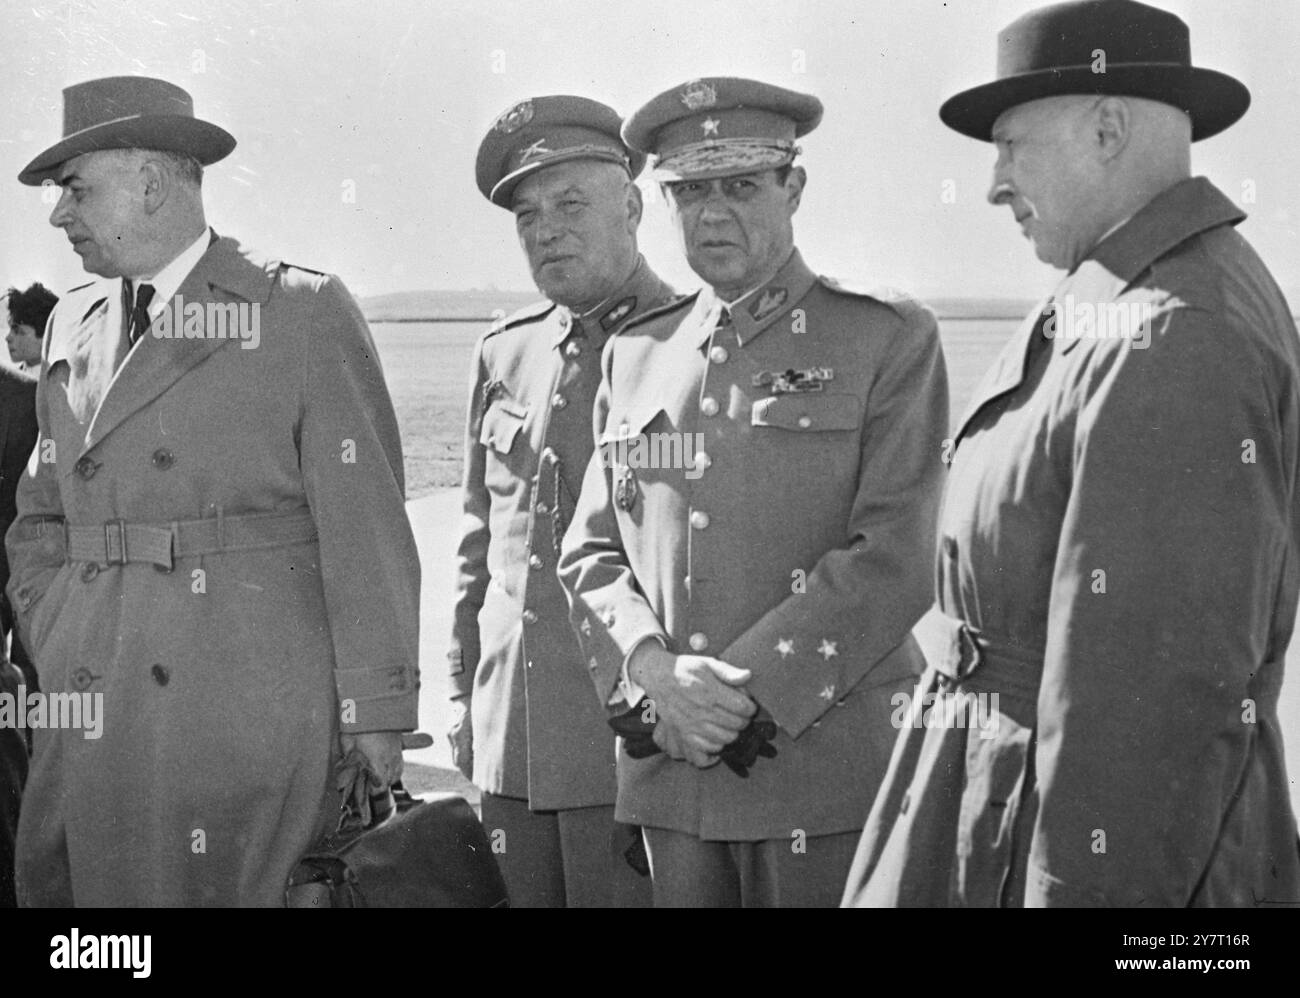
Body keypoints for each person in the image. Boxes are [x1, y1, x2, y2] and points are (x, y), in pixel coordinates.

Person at [842, 0, 1300, 908]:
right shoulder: (1120, 299)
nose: (995, 184)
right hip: (999, 803)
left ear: (1107, 128)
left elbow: (1148, 712)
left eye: (1012, 146)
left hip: (1054, 841)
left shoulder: (1172, 333)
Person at [6, 75, 419, 906]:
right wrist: (60, 626)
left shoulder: (294, 309)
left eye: (75, 190)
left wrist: (376, 716)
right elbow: (39, 517)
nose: (59, 216)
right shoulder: (73, 324)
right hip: (96, 699)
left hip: (247, 716)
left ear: (151, 182)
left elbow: (365, 526)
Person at [558, 77, 948, 907]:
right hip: (673, 779)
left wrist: (731, 698)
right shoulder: (637, 353)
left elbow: (897, 555)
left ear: (792, 188)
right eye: (690, 192)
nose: (713, 214)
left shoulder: (881, 336)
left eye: (740, 186)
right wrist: (653, 671)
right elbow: (590, 549)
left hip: (824, 775)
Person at [448, 95, 674, 906]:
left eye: (572, 205)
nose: (547, 231)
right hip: (511, 738)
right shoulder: (505, 352)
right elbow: (479, 544)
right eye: (528, 216)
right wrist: (462, 694)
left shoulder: (688, 343)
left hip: (634, 743)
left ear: (632, 208)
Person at [5, 283, 57, 372]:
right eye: (11, 329)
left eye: (18, 331)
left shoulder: (68, 378)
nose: (8, 338)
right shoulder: (7, 378)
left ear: (45, 336)